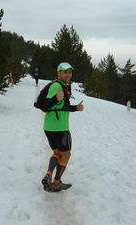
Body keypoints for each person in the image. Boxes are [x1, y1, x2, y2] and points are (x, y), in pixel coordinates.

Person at [41, 62, 84, 192]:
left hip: (50, 127)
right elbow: (44, 106)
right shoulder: (56, 86)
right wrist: (55, 99)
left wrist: (76, 108)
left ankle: (48, 175)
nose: (68, 74)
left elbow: (62, 107)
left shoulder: (62, 86)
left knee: (57, 153)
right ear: (58, 73)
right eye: (65, 72)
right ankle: (56, 182)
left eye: (70, 72)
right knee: (66, 155)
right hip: (60, 128)